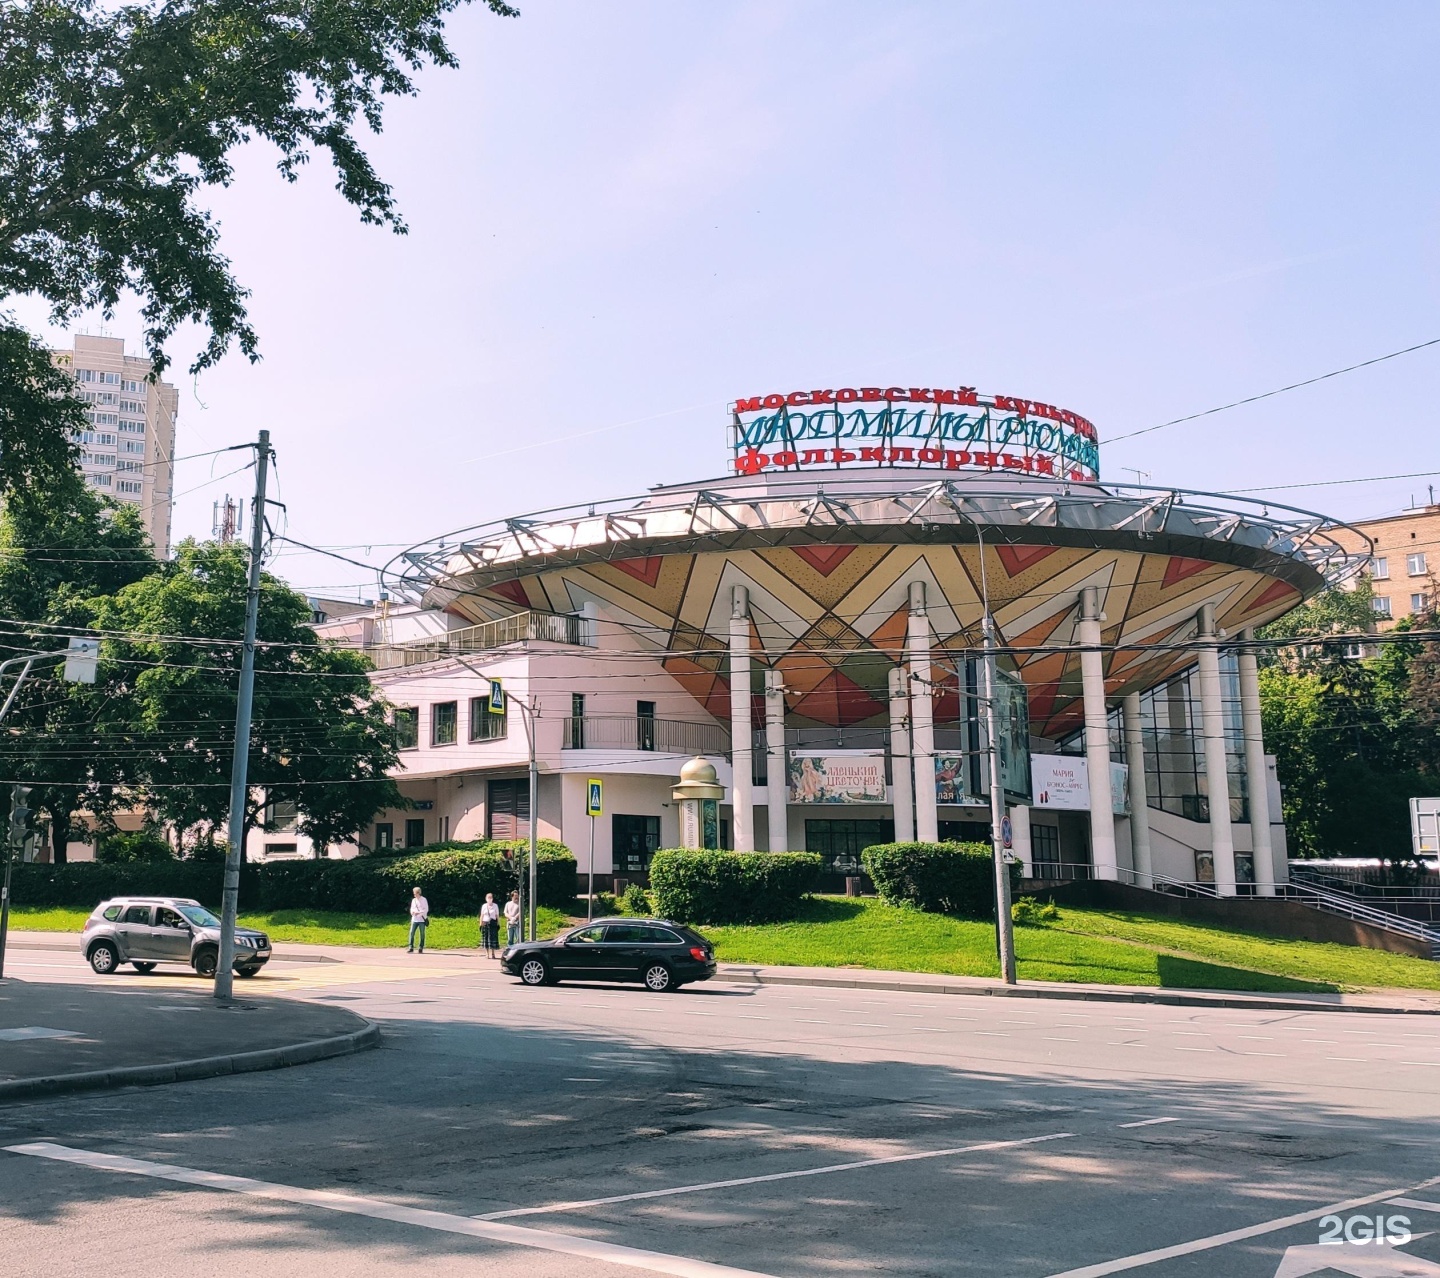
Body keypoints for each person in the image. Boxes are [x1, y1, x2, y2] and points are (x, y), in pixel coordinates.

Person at [407, 885, 429, 954]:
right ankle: (411, 947)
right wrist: (413, 913)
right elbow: (412, 908)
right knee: (411, 933)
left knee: (422, 933)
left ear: (418, 893)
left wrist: (419, 913)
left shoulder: (424, 899)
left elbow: (425, 909)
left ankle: (421, 947)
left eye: (415, 893)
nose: (414, 894)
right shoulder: (414, 900)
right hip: (414, 919)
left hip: (422, 920)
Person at [479, 892, 501, 958]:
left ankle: (493, 953)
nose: (489, 899)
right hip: (485, 923)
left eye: (490, 897)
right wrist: (480, 924)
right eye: (488, 897)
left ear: (492, 898)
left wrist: (498, 923)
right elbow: (482, 915)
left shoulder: (495, 906)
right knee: (486, 939)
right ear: (486, 899)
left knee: (493, 939)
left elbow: (497, 915)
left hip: (493, 923)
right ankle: (487, 954)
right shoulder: (484, 906)